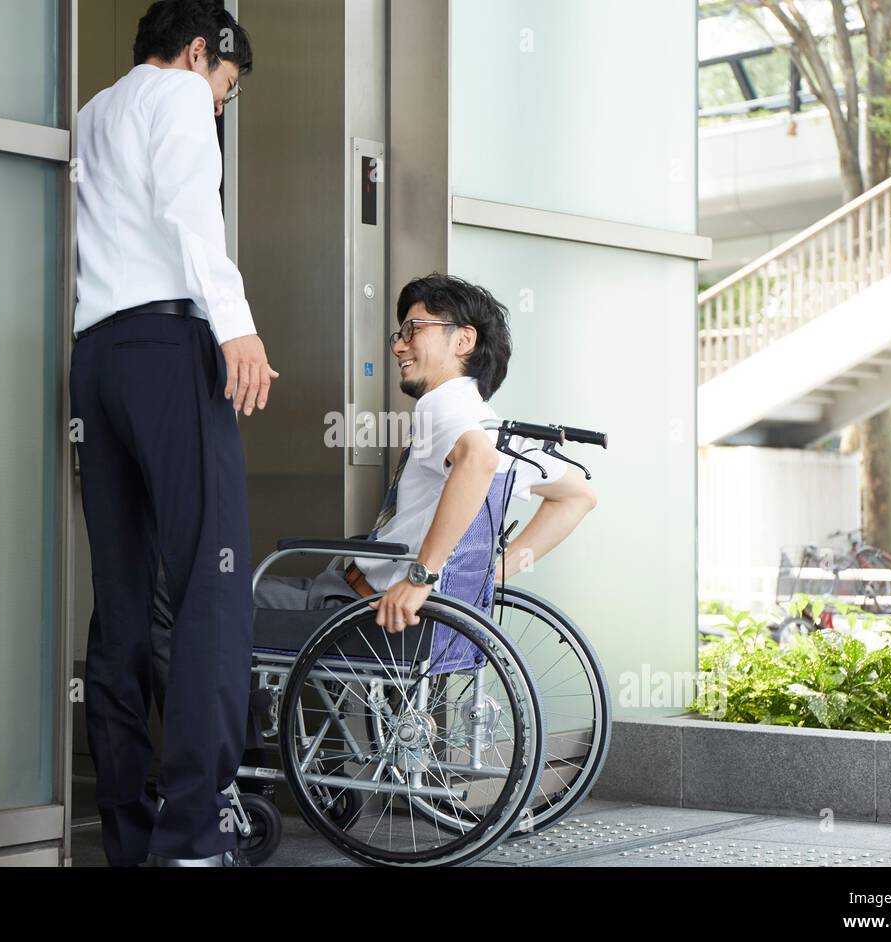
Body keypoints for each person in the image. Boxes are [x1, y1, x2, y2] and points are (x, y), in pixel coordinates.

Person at [71, 0, 277, 868]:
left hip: (95, 357)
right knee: (212, 588)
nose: (222, 105)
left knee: (121, 606)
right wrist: (236, 325)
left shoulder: (91, 111)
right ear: (201, 52)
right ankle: (195, 837)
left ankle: (129, 837)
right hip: (168, 345)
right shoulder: (179, 97)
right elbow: (195, 208)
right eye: (227, 85)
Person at [254, 274, 598, 632]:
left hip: (355, 607)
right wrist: (491, 576)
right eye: (399, 335)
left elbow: (478, 460)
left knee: (225, 602)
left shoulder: (441, 404)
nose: (398, 347)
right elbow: (579, 496)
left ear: (463, 340)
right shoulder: (495, 429)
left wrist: (421, 576)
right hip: (405, 616)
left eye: (412, 330)